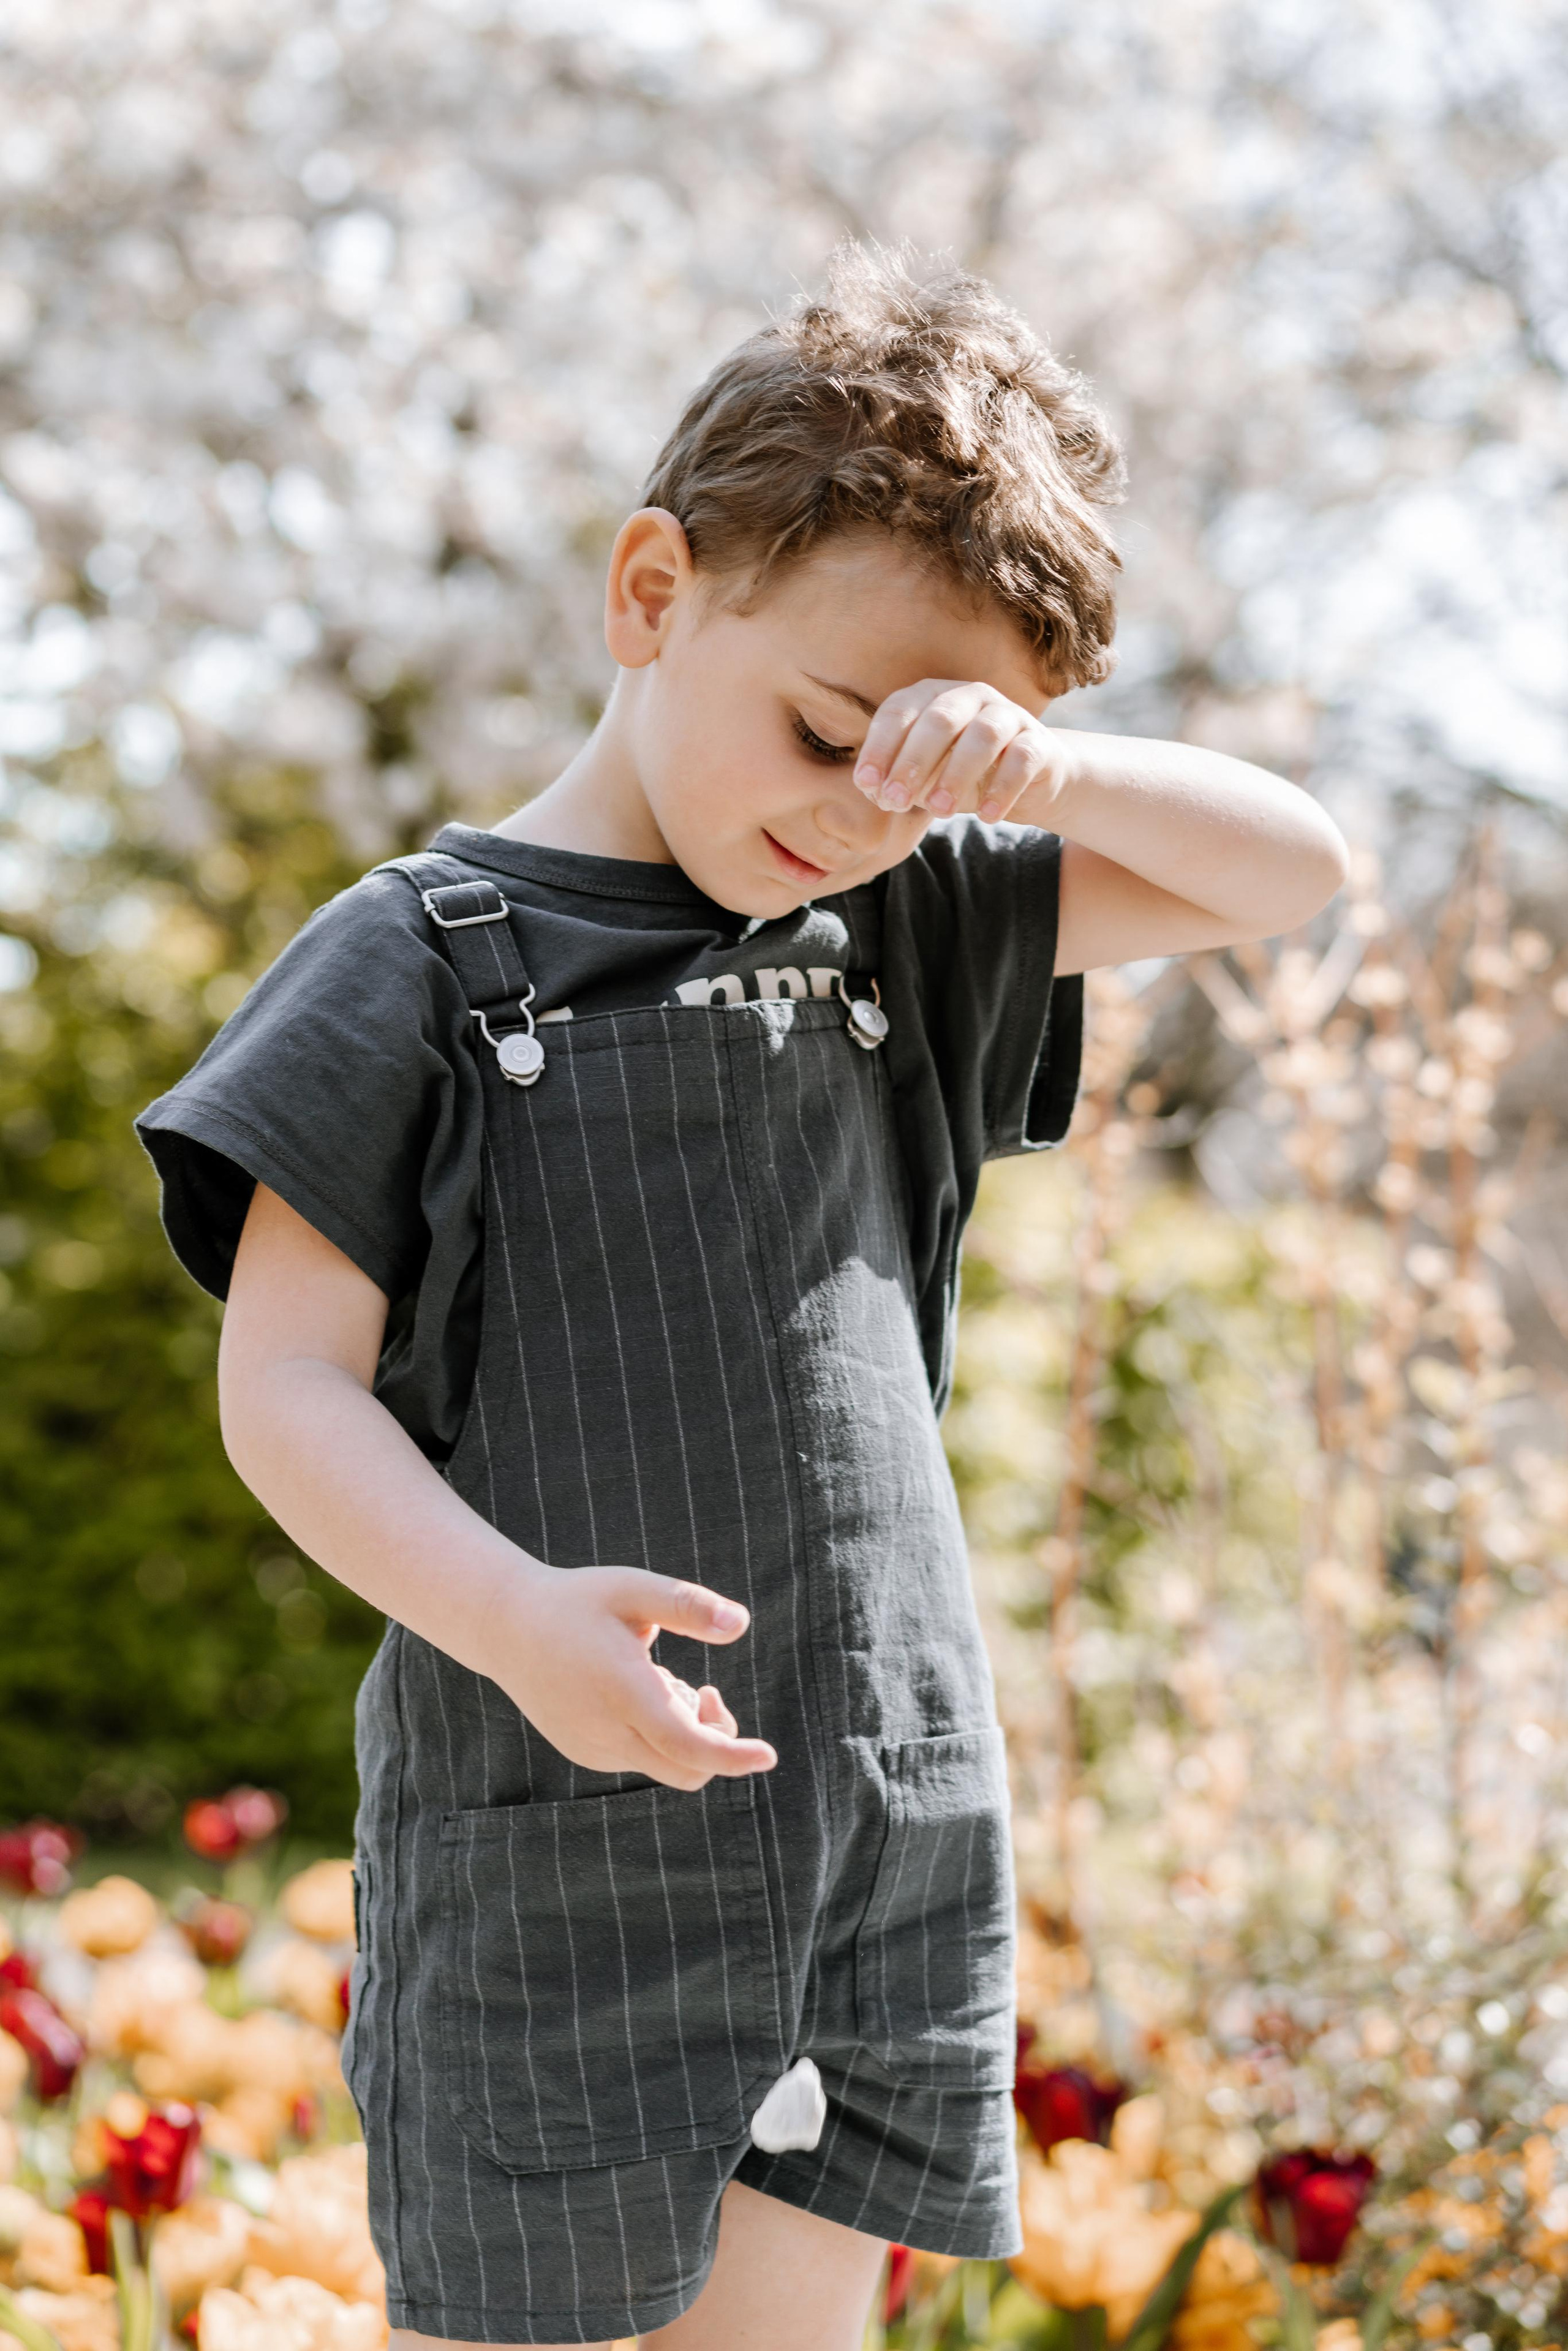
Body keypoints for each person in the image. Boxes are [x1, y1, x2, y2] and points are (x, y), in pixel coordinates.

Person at [136, 245, 1348, 2351]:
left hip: (873, 1821)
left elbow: (1293, 870)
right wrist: (509, 1616)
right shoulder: (418, 954)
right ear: (651, 595)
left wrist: (1035, 784)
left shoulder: (914, 914)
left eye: (923, 770)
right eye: (823, 730)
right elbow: (287, 1389)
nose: (854, 811)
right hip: (554, 1850)